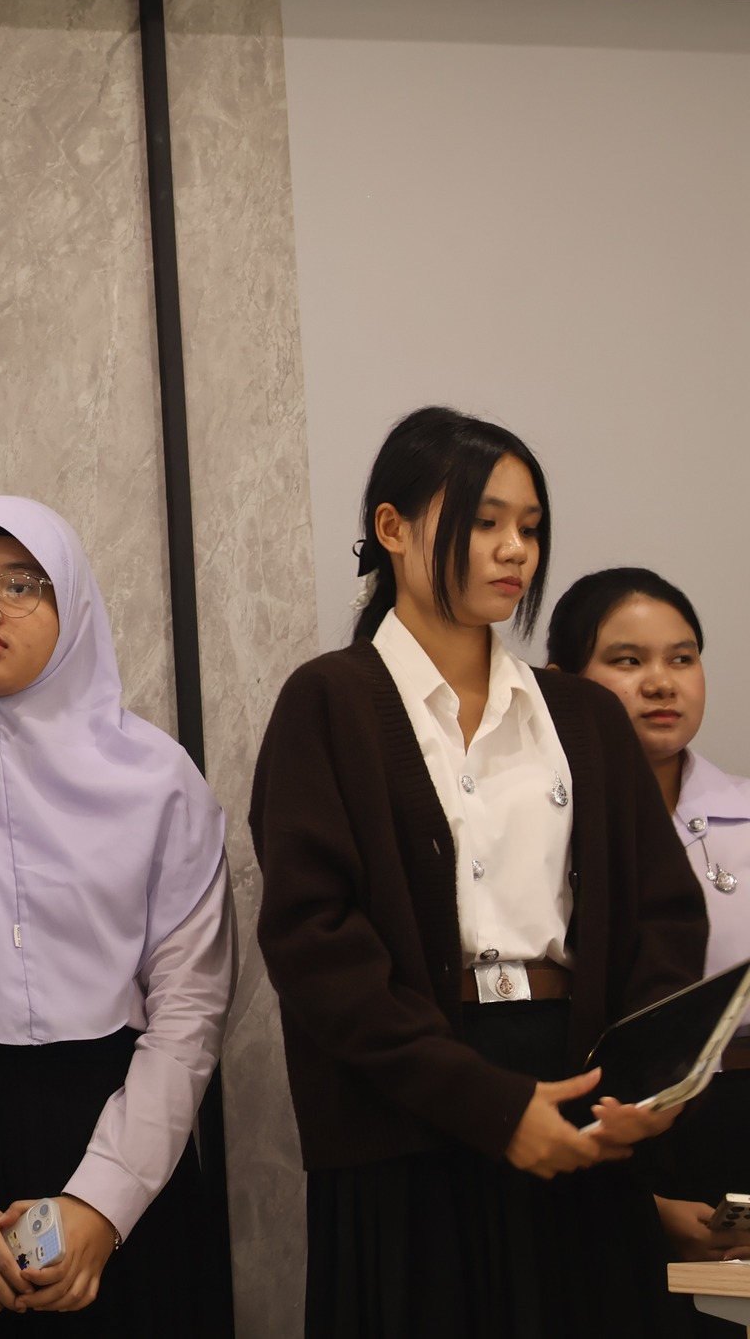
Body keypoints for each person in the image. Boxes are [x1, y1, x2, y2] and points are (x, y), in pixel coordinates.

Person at [250, 406, 710, 1338]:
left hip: (579, 1098)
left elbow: (665, 915)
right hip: (408, 1111)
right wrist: (490, 1105)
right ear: (392, 528)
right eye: (485, 519)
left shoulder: (582, 714)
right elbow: (316, 945)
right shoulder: (329, 701)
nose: (515, 550)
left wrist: (641, 1088)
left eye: (530, 527)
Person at [0, 496, 232, 1334]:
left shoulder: (159, 780)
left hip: (118, 1125)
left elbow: (190, 1006)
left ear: (73, 603)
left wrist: (101, 1203)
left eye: (21, 583)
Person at [546, 569, 750, 1311]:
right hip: (609, 1147)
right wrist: (644, 1204)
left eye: (682, 657)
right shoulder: (541, 832)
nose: (662, 682)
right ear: (561, 683)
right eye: (627, 660)